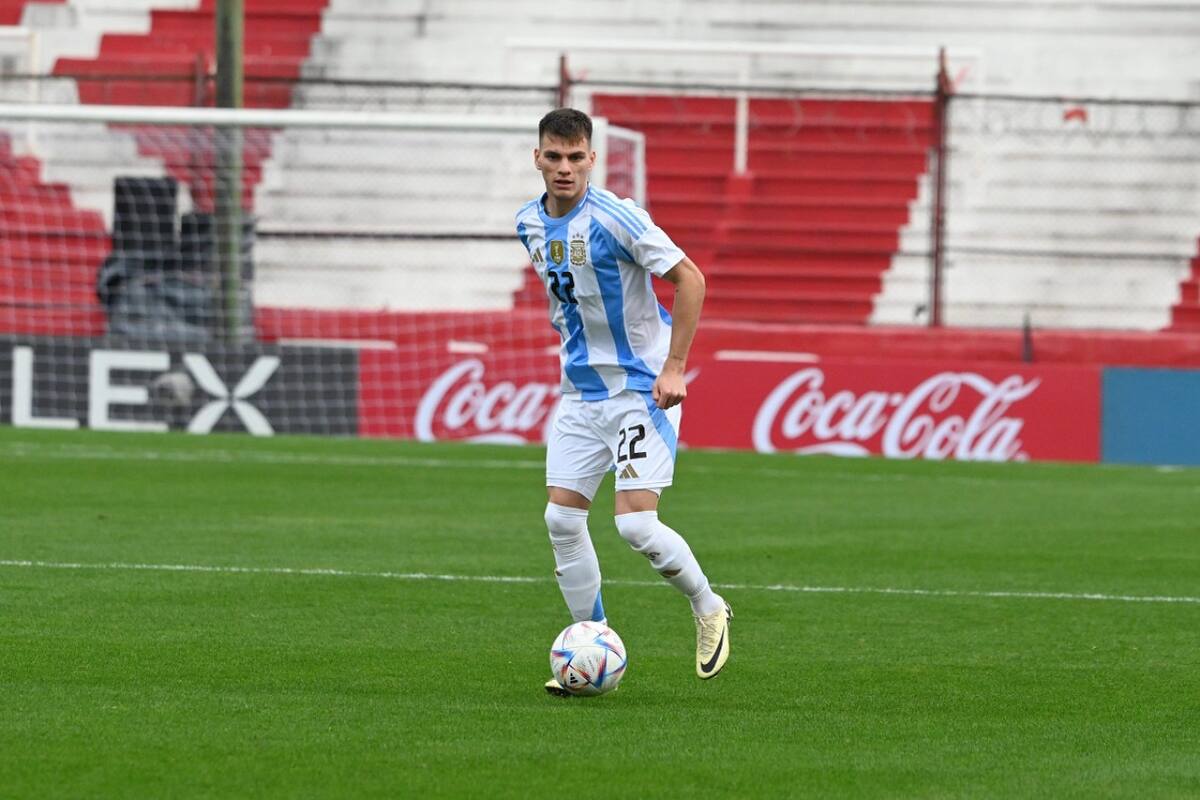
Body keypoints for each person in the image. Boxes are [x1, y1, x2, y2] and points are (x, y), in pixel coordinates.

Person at [515, 108, 731, 696]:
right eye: (553, 157)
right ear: (537, 158)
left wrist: (675, 365)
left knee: (636, 524)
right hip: (581, 393)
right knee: (561, 517)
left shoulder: (617, 217)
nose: (564, 167)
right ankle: (594, 642)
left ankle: (710, 606)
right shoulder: (527, 224)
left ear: (592, 159)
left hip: (641, 389)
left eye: (575, 156)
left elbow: (691, 279)